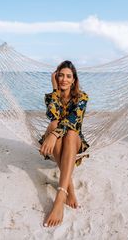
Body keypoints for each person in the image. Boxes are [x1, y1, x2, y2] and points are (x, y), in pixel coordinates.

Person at [38, 60, 89, 228]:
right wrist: (54, 89)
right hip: (56, 142)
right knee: (54, 124)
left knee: (71, 132)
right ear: (56, 77)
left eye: (68, 76)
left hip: (73, 142)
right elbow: (53, 115)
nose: (64, 80)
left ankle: (60, 197)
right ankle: (69, 188)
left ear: (74, 80)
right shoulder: (51, 97)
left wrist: (53, 134)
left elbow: (74, 120)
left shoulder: (82, 97)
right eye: (60, 76)